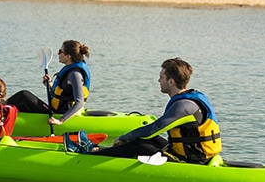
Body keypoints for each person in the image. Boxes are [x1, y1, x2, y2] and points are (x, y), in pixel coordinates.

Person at [70, 58, 222, 164]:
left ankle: (92, 154)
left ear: (171, 81)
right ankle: (103, 151)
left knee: (141, 144)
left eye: (161, 77)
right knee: (148, 141)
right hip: (193, 154)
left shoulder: (183, 106)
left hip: (193, 160)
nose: (158, 81)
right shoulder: (190, 99)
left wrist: (123, 137)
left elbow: (153, 128)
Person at [0, 40, 90, 128]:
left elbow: (78, 102)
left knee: (24, 96)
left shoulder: (75, 74)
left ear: (68, 56)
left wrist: (60, 121)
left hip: (58, 113)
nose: (58, 54)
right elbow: (64, 94)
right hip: (57, 108)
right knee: (21, 102)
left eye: (60, 51)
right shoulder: (71, 71)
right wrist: (49, 85)